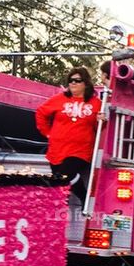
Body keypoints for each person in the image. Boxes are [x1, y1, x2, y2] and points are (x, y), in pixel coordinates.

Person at [35, 66, 103, 205]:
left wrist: (102, 121)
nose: (73, 83)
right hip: (57, 150)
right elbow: (41, 113)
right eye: (70, 80)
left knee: (66, 174)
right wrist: (47, 133)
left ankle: (84, 199)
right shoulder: (59, 99)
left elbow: (101, 129)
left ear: (86, 83)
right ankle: (59, 212)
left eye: (77, 80)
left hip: (80, 151)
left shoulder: (96, 103)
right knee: (59, 181)